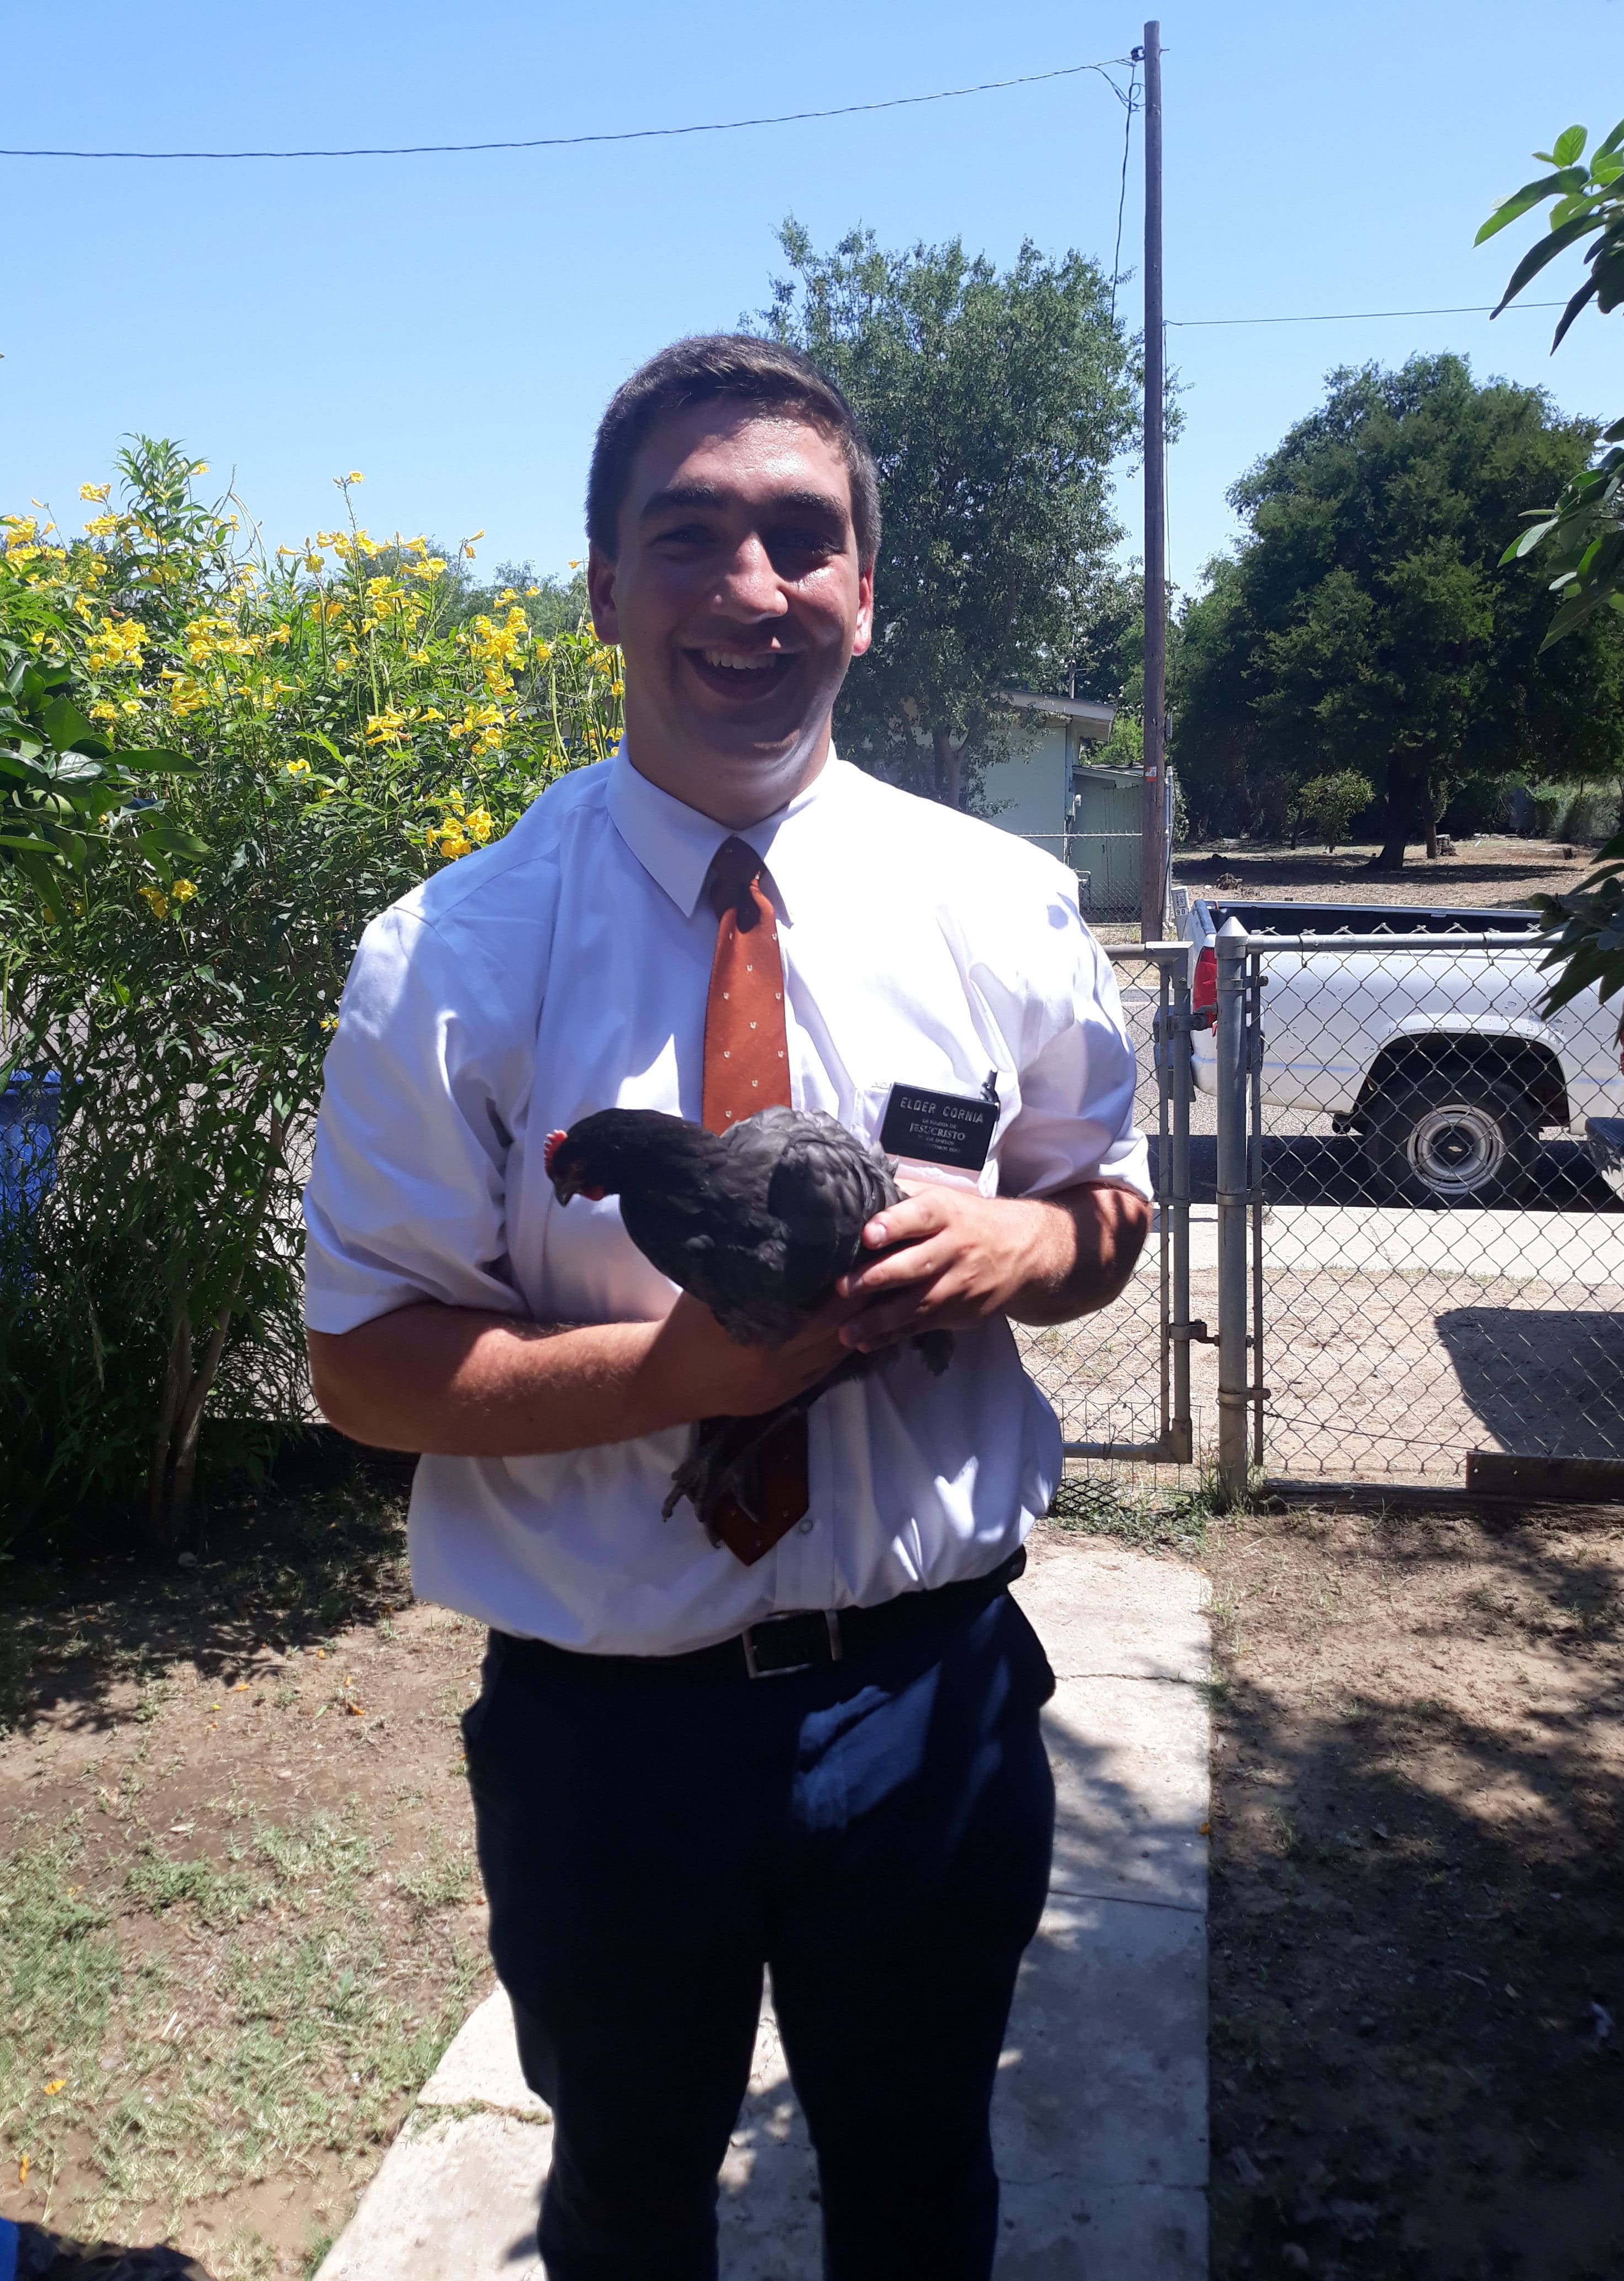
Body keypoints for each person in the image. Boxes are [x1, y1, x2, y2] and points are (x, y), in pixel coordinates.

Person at [302, 334, 1152, 2281]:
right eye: (687, 536)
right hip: (608, 1741)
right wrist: (666, 1375)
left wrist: (1036, 1249)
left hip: (925, 1695)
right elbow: (362, 1370)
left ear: (867, 587)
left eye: (799, 536)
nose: (747, 588)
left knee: (924, 2193)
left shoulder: (1005, 905)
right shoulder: (445, 953)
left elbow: (1107, 1211)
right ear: (602, 587)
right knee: (624, 2206)